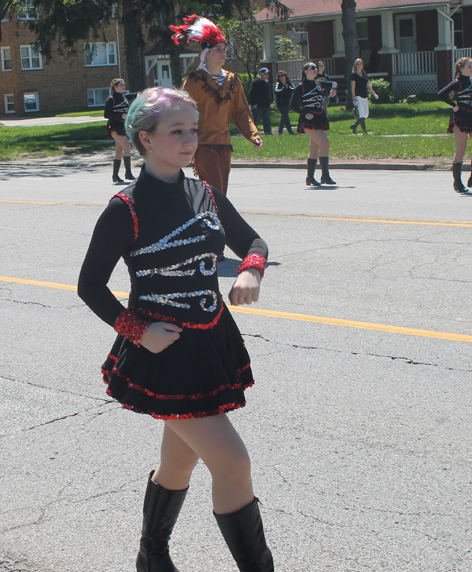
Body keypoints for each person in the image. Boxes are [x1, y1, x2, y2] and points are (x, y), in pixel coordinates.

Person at [77, 87, 274, 572]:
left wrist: (250, 269)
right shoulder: (126, 207)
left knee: (178, 462)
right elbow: (90, 286)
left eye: (193, 128)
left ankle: (151, 555)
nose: (191, 139)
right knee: (232, 462)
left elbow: (252, 239)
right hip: (164, 353)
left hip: (211, 341)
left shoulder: (204, 191)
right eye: (177, 131)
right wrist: (136, 329)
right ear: (145, 138)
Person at [171, 15, 263, 196]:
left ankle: (207, 219)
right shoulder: (194, 81)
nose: (223, 53)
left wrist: (253, 135)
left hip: (224, 145)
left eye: (224, 49)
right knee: (216, 191)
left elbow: (241, 111)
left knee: (221, 192)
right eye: (217, 49)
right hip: (203, 144)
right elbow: (180, 112)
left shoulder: (232, 80)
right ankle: (215, 222)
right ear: (206, 54)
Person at [438, 57, 472, 193]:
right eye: (469, 66)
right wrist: (454, 106)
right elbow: (441, 94)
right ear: (461, 69)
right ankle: (457, 182)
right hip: (460, 117)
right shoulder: (458, 82)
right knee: (461, 149)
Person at [290, 61, 337, 186]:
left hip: (319, 118)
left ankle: (310, 177)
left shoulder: (318, 83)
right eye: (312, 68)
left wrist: (333, 89)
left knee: (314, 149)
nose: (315, 69)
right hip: (308, 120)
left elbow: (333, 83)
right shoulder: (301, 86)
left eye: (316, 67)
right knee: (325, 144)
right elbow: (292, 104)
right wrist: (304, 113)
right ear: (305, 71)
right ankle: (325, 176)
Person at [104, 78, 139, 183]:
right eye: (121, 85)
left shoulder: (124, 96)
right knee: (127, 146)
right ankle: (128, 173)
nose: (124, 87)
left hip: (123, 127)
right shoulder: (111, 99)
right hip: (114, 127)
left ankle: (115, 175)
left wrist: (143, 94)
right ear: (115, 87)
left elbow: (135, 95)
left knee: (118, 151)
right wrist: (121, 115)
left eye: (124, 85)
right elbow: (106, 114)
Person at [350, 59, 378, 135]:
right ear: (355, 65)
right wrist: (354, 98)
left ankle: (355, 126)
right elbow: (353, 88)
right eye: (357, 64)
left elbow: (368, 85)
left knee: (366, 114)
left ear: (362, 65)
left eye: (360, 63)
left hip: (365, 96)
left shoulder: (364, 73)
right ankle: (364, 132)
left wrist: (374, 94)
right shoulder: (354, 75)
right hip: (358, 96)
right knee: (362, 114)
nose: (359, 65)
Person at [249, 68, 273, 136]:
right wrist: (253, 103)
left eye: (267, 74)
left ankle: (268, 133)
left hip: (266, 105)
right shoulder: (255, 82)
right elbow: (251, 93)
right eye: (265, 74)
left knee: (267, 120)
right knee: (256, 120)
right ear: (261, 74)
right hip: (258, 106)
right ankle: (252, 133)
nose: (267, 75)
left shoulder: (267, 82)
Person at [274, 70, 295, 135]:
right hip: (281, 104)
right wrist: (283, 89)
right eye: (279, 76)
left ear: (285, 76)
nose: (281, 77)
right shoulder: (278, 84)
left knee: (283, 118)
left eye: (282, 75)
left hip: (288, 103)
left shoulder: (289, 83)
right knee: (286, 117)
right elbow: (276, 91)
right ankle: (290, 132)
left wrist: (289, 88)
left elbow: (294, 89)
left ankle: (280, 132)